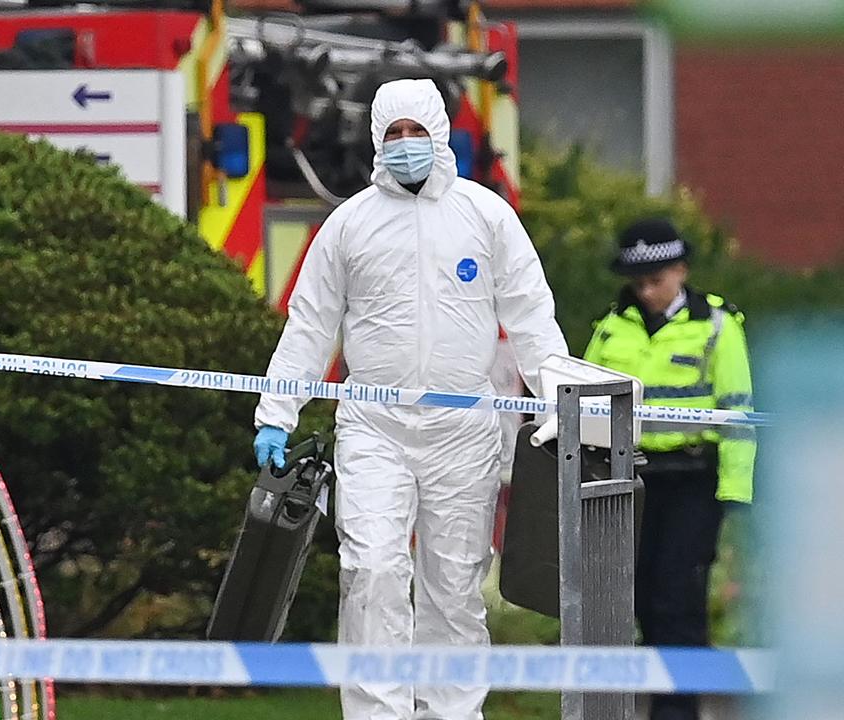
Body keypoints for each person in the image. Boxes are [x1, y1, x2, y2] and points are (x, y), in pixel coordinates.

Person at [252, 78, 568, 720]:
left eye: (414, 132)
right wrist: (276, 413)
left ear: (439, 133)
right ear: (375, 139)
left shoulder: (485, 216)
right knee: (370, 572)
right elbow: (310, 325)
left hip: (464, 432)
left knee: (454, 589)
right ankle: (378, 712)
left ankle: (453, 712)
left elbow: (531, 315)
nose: (404, 146)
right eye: (391, 134)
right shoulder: (350, 225)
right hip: (375, 429)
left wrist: (558, 397)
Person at [583, 217, 755, 720]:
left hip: (692, 480)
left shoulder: (717, 326)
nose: (646, 291)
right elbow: (585, 397)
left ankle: (677, 713)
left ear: (680, 271)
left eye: (656, 279)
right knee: (633, 594)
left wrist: (735, 490)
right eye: (638, 282)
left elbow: (738, 412)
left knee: (678, 597)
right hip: (628, 478)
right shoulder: (612, 325)